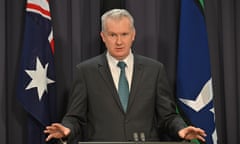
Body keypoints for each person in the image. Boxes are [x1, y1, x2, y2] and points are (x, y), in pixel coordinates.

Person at [44, 9, 206, 143]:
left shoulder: (154, 70)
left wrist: (181, 129)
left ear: (133, 35)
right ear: (103, 37)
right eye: (113, 35)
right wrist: (67, 129)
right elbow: (75, 117)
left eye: (124, 34)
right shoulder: (86, 71)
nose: (119, 41)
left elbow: (167, 116)